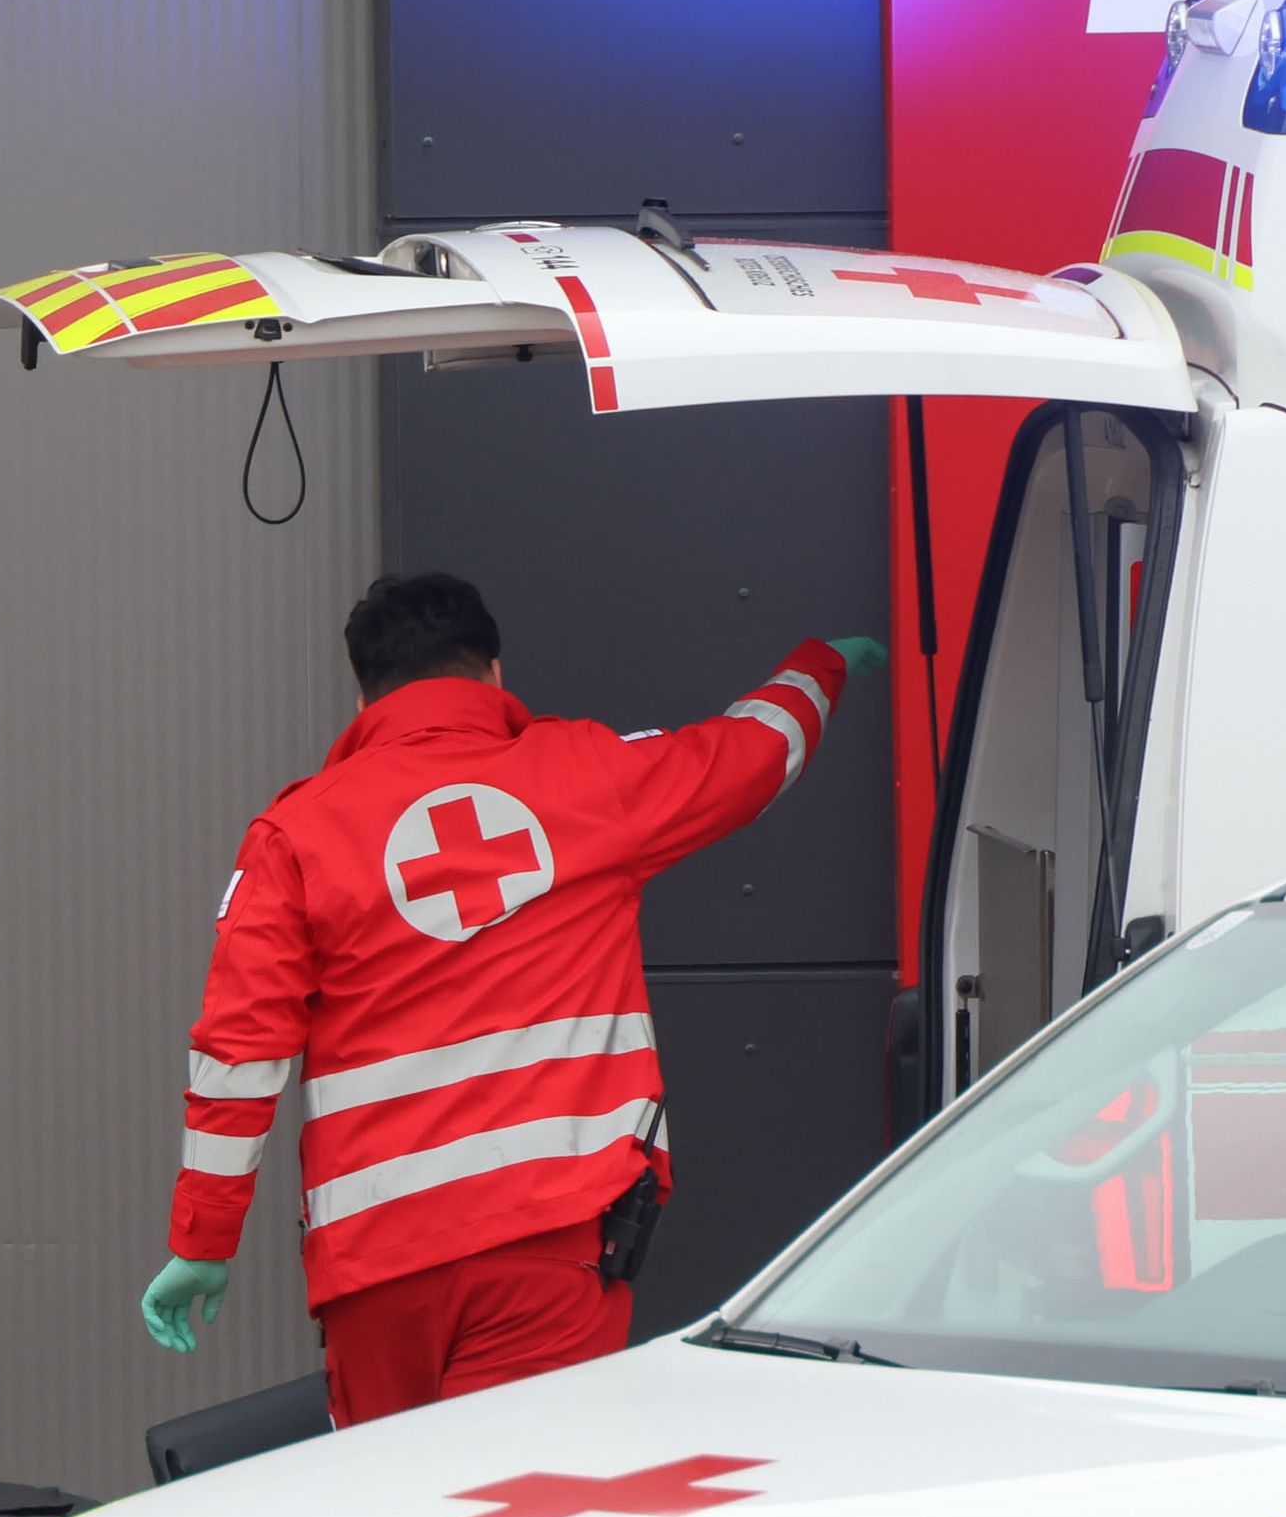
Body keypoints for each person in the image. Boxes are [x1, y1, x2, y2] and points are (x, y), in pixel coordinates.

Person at [141, 570, 878, 1423]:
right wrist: (818, 669)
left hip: (378, 1273)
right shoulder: (590, 775)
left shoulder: (294, 835)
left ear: (363, 697)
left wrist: (203, 1241)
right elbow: (751, 753)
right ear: (494, 673)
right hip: (549, 1246)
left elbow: (239, 1052)